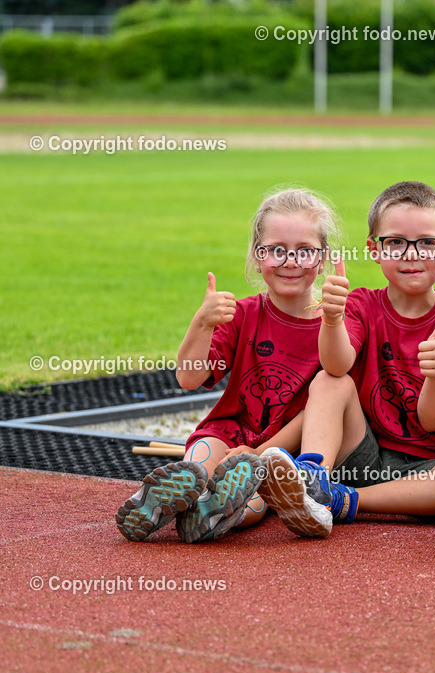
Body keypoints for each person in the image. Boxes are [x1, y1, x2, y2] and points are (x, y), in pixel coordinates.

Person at [115, 188, 339, 543]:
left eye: (304, 251)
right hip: (228, 431)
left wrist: (260, 451)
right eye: (276, 250)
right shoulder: (244, 314)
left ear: (323, 258)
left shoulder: (333, 328)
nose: (290, 261)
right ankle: (166, 500)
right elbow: (189, 378)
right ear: (257, 255)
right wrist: (201, 323)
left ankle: (210, 512)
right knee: (200, 465)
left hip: (281, 453)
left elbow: (314, 414)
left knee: (255, 496)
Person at [258, 181, 435, 537]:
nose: (411, 254)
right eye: (395, 242)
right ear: (373, 250)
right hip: (363, 452)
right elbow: (336, 365)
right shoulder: (362, 303)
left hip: (428, 469)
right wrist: (331, 319)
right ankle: (312, 477)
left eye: (427, 242)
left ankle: (344, 501)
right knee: (332, 382)